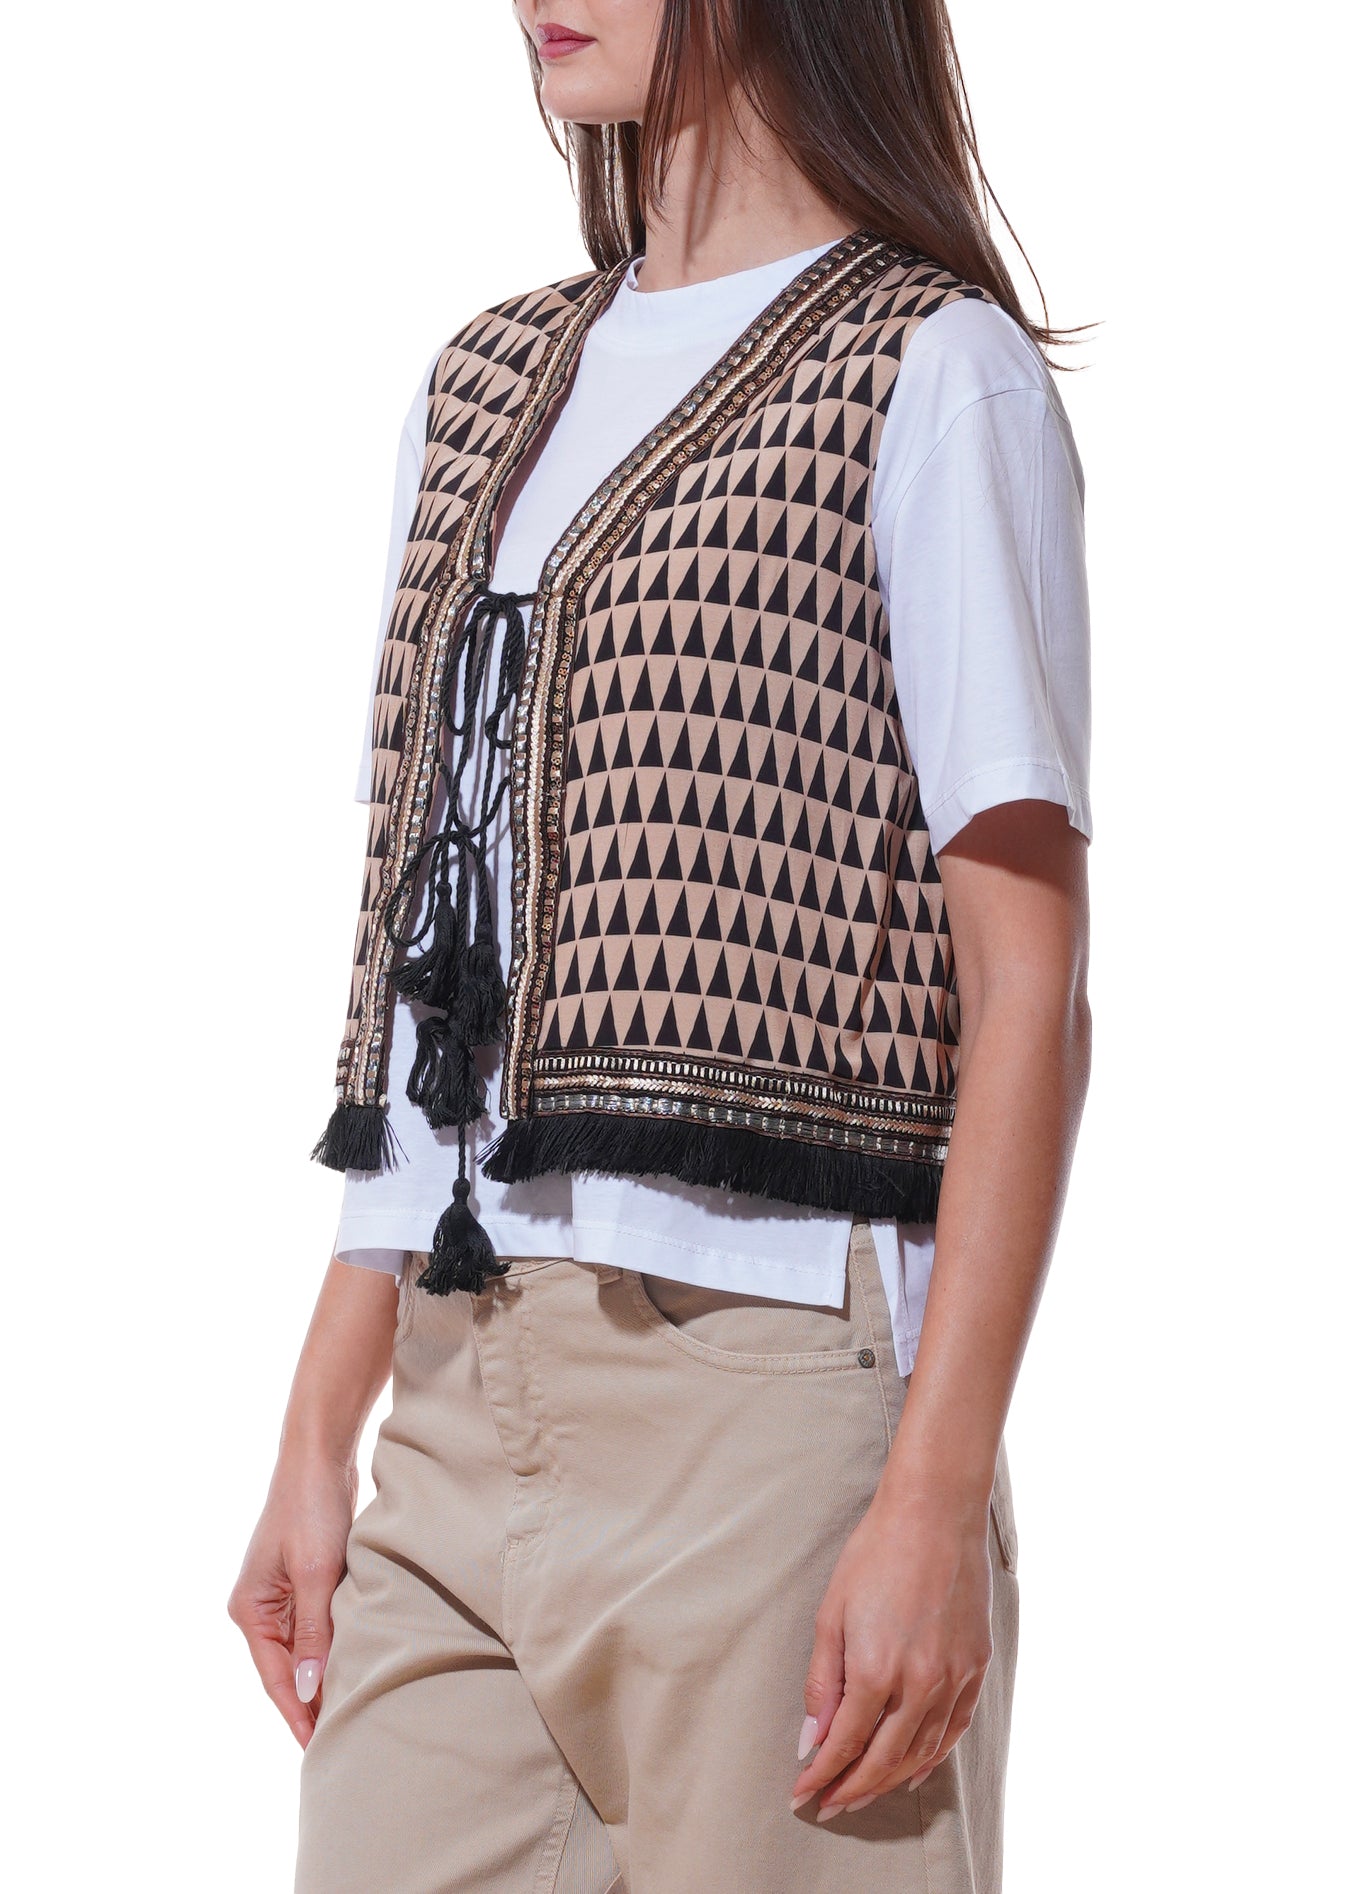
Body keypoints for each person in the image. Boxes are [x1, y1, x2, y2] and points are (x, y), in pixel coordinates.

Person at [227, 3, 1093, 1889]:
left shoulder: (930, 373)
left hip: (765, 1404)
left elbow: (1026, 984)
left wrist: (934, 1488)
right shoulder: (484, 382)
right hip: (459, 1403)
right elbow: (432, 960)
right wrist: (321, 1418)